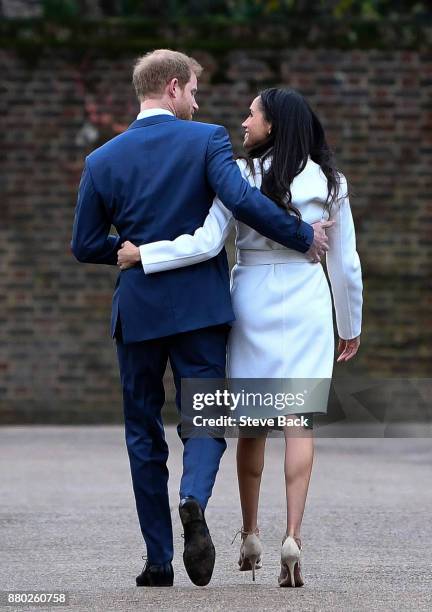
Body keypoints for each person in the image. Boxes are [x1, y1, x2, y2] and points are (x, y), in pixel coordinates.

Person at [71, 51, 331, 588]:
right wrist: (303, 236)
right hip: (200, 312)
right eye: (193, 90)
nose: (198, 101)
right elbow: (239, 199)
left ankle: (158, 561)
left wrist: (129, 248)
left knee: (143, 431)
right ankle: (193, 498)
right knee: (206, 422)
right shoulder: (207, 140)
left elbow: (85, 245)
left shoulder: (102, 160)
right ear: (171, 88)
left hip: (138, 312)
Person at [117, 87, 363, 587]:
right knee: (299, 419)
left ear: (272, 125)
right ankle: (291, 537)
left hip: (251, 297)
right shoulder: (330, 181)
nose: (243, 121)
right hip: (306, 301)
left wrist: (146, 254)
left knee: (251, 418)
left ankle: (250, 532)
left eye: (251, 115)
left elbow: (206, 242)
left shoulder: (240, 174)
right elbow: (347, 264)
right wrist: (349, 324)